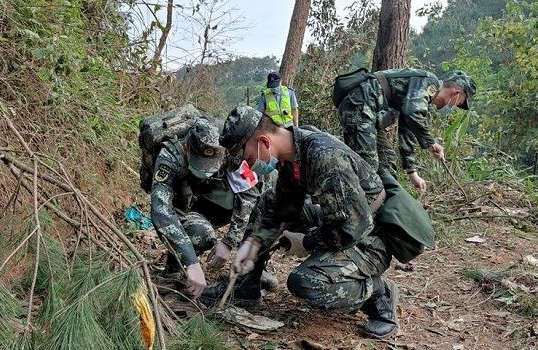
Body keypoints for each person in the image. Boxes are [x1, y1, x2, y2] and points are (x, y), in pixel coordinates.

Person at [210, 106, 434, 339]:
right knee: (268, 202)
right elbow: (283, 208)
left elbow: (351, 229)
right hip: (341, 218)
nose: (249, 164)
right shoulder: (292, 153)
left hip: (371, 234)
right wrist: (254, 243)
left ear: (264, 142)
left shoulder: (325, 157)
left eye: (247, 157)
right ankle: (246, 286)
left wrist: (306, 241)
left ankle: (379, 293)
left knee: (306, 283)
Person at [150, 118, 258, 298]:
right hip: (179, 204)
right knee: (201, 234)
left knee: (263, 203)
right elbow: (161, 211)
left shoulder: (230, 151)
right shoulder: (169, 156)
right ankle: (175, 267)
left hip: (206, 201)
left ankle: (252, 274)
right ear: (188, 148)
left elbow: (249, 193)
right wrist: (191, 262)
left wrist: (229, 242)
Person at [336, 69, 477, 192]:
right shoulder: (429, 82)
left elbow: (407, 129)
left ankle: (389, 208)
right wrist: (430, 143)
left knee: (387, 160)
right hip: (359, 107)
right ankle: (354, 210)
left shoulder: (422, 98)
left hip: (368, 114)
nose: (456, 106)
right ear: (456, 93)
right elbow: (412, 113)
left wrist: (412, 172)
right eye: (460, 102)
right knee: (367, 168)